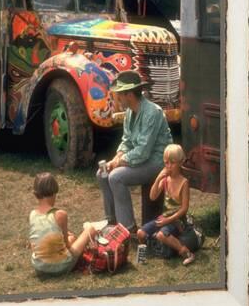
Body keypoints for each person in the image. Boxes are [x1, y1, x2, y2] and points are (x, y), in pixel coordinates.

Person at [97, 70, 173, 231]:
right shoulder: (130, 113)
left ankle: (128, 228)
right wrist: (116, 158)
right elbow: (127, 141)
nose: (117, 98)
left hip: (157, 162)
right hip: (141, 159)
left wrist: (120, 162)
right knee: (102, 173)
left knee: (116, 177)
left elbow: (143, 152)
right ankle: (112, 222)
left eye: (119, 95)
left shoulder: (152, 112)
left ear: (129, 95)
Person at [137, 144, 195, 265]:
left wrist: (167, 220)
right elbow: (152, 196)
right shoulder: (165, 179)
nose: (168, 166)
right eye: (166, 162)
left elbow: (184, 209)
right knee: (140, 233)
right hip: (164, 218)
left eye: (172, 163)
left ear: (180, 162)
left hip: (178, 221)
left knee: (161, 235)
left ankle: (186, 252)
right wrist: (158, 178)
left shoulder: (184, 182)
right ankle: (145, 253)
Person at [29, 172, 97, 275]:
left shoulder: (32, 214)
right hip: (60, 266)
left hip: (39, 267)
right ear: (54, 192)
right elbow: (67, 245)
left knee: (71, 238)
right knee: (89, 230)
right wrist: (73, 237)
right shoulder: (60, 214)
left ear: (36, 194)